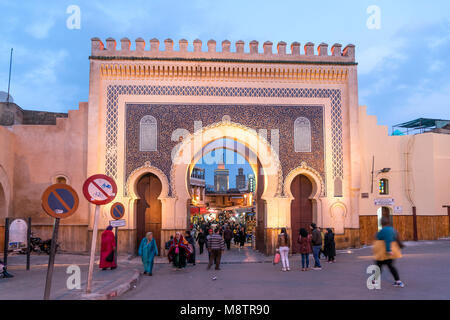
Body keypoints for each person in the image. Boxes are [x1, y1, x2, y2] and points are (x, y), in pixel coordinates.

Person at [373, 216, 405, 288]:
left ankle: (374, 281)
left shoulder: (384, 230)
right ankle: (398, 281)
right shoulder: (392, 229)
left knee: (379, 266)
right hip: (390, 251)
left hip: (383, 252)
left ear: (381, 223)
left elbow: (387, 240)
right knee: (390, 266)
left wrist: (388, 250)